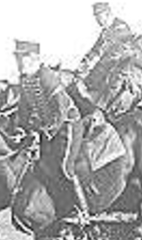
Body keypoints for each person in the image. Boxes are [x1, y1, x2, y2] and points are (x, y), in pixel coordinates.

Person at [13, 39, 90, 225]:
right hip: (48, 128)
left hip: (68, 125)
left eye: (23, 58)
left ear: (34, 58)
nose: (19, 62)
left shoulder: (46, 76)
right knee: (42, 167)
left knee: (65, 167)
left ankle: (82, 210)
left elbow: (60, 109)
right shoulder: (24, 80)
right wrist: (21, 129)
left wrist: (47, 132)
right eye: (18, 58)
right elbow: (24, 109)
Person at [76, 2, 139, 80]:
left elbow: (110, 46)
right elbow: (95, 49)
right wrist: (84, 62)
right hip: (110, 64)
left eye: (99, 16)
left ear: (107, 13)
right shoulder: (105, 32)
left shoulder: (120, 26)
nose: (97, 19)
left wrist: (94, 60)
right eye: (96, 16)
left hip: (124, 64)